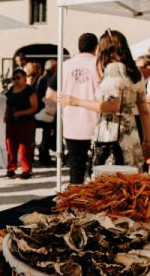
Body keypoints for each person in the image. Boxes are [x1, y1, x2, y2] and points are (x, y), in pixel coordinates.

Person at [60, 29, 150, 172]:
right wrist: (147, 140)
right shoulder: (134, 70)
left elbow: (111, 106)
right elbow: (144, 110)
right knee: (129, 183)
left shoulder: (114, 69)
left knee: (110, 186)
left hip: (112, 137)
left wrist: (77, 101)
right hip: (132, 135)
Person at [46, 33, 99, 184]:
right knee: (97, 168)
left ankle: (75, 203)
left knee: (76, 167)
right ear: (96, 47)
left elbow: (49, 94)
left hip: (72, 123)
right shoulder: (99, 63)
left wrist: (65, 101)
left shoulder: (65, 65)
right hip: (96, 122)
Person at [4, 68, 38, 179]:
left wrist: (21, 113)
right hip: (11, 121)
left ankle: (26, 170)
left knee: (25, 147)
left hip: (26, 122)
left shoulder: (30, 90)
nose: (16, 80)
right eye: (14, 78)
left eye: (18, 78)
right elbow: (8, 104)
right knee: (10, 146)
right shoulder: (11, 89)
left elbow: (34, 107)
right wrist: (5, 115)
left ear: (24, 78)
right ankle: (11, 168)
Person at [35, 60, 57, 166]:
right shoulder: (51, 79)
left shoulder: (42, 79)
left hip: (44, 110)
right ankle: (44, 156)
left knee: (47, 134)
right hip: (49, 110)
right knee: (48, 134)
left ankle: (44, 155)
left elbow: (39, 95)